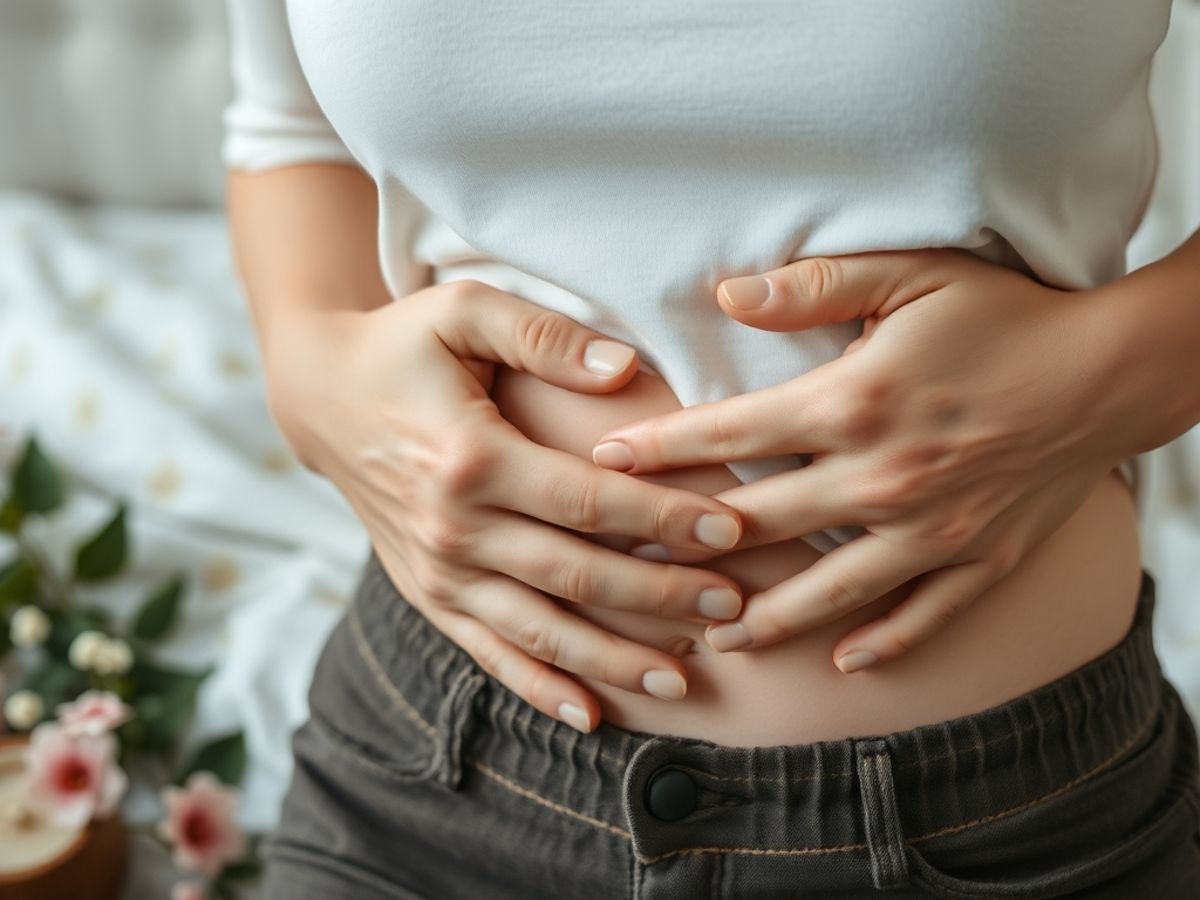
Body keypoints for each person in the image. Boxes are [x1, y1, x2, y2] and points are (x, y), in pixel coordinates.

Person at [222, 1, 1200, 896]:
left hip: (1004, 830)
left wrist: (1112, 375)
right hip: (428, 778)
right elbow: (290, 124)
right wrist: (311, 376)